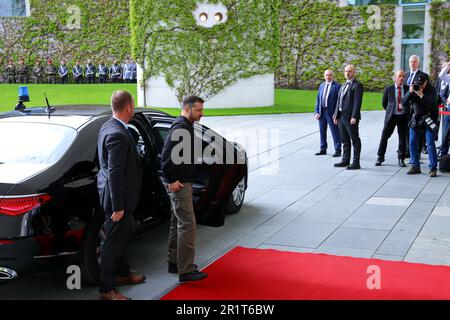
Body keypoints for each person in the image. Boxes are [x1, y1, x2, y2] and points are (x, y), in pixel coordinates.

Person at [96, 90, 145, 300]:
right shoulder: (117, 133)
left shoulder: (108, 125)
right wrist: (118, 206)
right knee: (112, 243)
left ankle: (123, 274)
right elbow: (115, 171)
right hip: (118, 200)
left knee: (125, 236)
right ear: (128, 107)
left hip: (118, 196)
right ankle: (107, 289)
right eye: (133, 105)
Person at [161, 95, 208, 283]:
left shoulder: (185, 127)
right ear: (187, 109)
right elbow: (165, 160)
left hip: (181, 182)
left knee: (176, 223)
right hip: (180, 184)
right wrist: (171, 180)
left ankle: (174, 262)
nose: (202, 114)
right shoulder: (180, 129)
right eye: (199, 110)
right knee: (187, 225)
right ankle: (186, 270)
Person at [403, 74, 439, 177]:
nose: (420, 86)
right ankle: (415, 166)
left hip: (428, 119)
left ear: (426, 82)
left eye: (422, 84)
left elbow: (432, 106)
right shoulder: (414, 87)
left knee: (430, 144)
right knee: (412, 142)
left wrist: (421, 95)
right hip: (416, 119)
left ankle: (433, 168)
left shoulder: (432, 90)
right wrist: (410, 92)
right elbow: (404, 102)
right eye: (418, 84)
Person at [375, 70, 409, 167]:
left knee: (402, 138)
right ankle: (380, 157)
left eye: (403, 76)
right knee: (384, 137)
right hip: (391, 117)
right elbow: (384, 103)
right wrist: (391, 111)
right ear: (395, 77)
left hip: (403, 117)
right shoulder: (389, 89)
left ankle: (401, 159)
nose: (401, 78)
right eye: (399, 76)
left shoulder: (407, 89)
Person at [333, 65, 364, 170]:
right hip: (341, 117)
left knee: (354, 139)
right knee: (344, 140)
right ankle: (345, 160)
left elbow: (357, 102)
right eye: (346, 71)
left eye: (349, 71)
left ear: (354, 73)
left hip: (351, 117)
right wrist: (336, 115)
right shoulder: (343, 85)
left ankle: (356, 163)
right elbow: (339, 101)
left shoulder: (357, 85)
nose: (347, 73)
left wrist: (354, 116)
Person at [314, 69, 342, 157]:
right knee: (322, 131)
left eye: (329, 75)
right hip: (322, 112)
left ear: (332, 76)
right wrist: (316, 112)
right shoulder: (321, 86)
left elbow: (339, 102)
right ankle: (323, 148)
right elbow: (318, 99)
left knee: (335, 131)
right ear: (324, 76)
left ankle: (338, 149)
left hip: (332, 113)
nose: (328, 77)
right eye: (326, 75)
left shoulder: (337, 86)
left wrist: (336, 115)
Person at [405, 55, 429, 156]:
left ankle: (420, 149)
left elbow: (425, 92)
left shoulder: (423, 75)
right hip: (407, 106)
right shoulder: (406, 75)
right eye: (411, 62)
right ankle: (408, 150)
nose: (412, 63)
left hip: (418, 107)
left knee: (419, 130)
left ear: (418, 63)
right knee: (407, 129)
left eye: (415, 62)